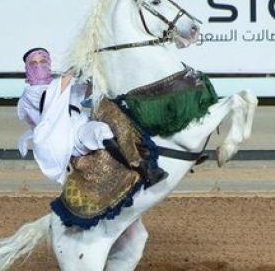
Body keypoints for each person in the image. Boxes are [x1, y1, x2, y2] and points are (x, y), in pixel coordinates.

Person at [16, 47, 167, 187]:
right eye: (33, 63)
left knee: (101, 130)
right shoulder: (30, 94)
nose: (38, 66)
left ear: (49, 63)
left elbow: (85, 93)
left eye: (43, 61)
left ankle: (144, 170)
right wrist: (75, 67)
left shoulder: (63, 86)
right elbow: (50, 97)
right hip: (57, 139)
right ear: (27, 67)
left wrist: (95, 72)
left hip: (77, 130)